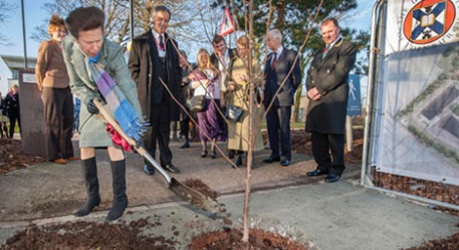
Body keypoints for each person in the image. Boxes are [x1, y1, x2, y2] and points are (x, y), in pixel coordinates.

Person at [62, 6, 145, 221]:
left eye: (99, 39)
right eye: (89, 42)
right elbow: (75, 83)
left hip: (111, 95)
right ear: (77, 39)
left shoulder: (113, 50)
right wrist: (88, 99)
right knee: (85, 145)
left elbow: (127, 83)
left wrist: (137, 122)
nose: (96, 46)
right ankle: (93, 197)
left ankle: (120, 198)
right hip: (90, 98)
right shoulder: (68, 47)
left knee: (113, 144)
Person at [128, 5, 182, 175]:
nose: (162, 23)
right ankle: (149, 163)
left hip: (167, 95)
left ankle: (166, 162)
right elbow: (132, 69)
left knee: (164, 131)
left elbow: (177, 69)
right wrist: (141, 85)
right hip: (149, 96)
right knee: (149, 132)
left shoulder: (172, 43)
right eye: (160, 19)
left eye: (166, 20)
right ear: (153, 18)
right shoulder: (140, 42)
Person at [305, 18, 357, 183]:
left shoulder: (346, 47)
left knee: (334, 136)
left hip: (333, 98)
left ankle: (336, 168)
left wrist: (319, 89)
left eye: (330, 32)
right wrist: (310, 90)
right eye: (324, 33)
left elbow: (340, 72)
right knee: (317, 136)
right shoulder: (319, 53)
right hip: (316, 99)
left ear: (338, 30)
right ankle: (322, 165)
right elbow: (309, 73)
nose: (327, 35)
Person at [35, 15, 77, 165]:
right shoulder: (48, 45)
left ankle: (67, 152)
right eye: (58, 31)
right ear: (51, 32)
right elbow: (40, 67)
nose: (61, 34)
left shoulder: (66, 48)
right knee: (53, 122)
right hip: (51, 86)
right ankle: (54, 154)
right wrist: (41, 86)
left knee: (68, 121)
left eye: (64, 31)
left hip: (66, 87)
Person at [263, 29, 301, 167]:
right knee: (271, 127)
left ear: (277, 39)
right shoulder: (268, 58)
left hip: (283, 97)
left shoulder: (290, 55)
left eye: (269, 40)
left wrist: (289, 92)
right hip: (269, 98)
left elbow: (296, 78)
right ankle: (275, 153)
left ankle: (286, 155)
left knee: (284, 127)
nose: (266, 43)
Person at [226, 36, 264, 167]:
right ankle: (238, 155)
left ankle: (250, 156)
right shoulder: (233, 62)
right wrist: (229, 85)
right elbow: (226, 80)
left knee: (248, 129)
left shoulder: (254, 62)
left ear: (249, 49)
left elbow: (260, 80)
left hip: (248, 99)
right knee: (236, 129)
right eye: (239, 48)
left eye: (244, 48)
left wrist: (248, 78)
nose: (241, 51)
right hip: (235, 99)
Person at [189, 48, 226, 159]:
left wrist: (222, 98)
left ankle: (213, 148)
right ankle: (204, 148)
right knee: (202, 123)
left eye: (205, 56)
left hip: (213, 98)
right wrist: (202, 82)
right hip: (201, 98)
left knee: (213, 122)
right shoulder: (196, 72)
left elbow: (220, 85)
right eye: (202, 57)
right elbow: (191, 85)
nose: (204, 58)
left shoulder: (215, 71)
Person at [210, 34, 238, 159]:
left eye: (222, 45)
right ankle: (231, 147)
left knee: (237, 117)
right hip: (222, 90)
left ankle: (239, 146)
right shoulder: (213, 58)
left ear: (225, 44)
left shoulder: (234, 53)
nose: (220, 48)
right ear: (214, 48)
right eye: (217, 47)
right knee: (227, 119)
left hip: (236, 88)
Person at [178, 50, 192, 149]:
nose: (180, 60)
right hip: (181, 96)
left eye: (182, 58)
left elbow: (192, 77)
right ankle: (186, 139)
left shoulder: (192, 67)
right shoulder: (177, 69)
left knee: (193, 117)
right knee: (183, 118)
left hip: (191, 95)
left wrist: (185, 79)